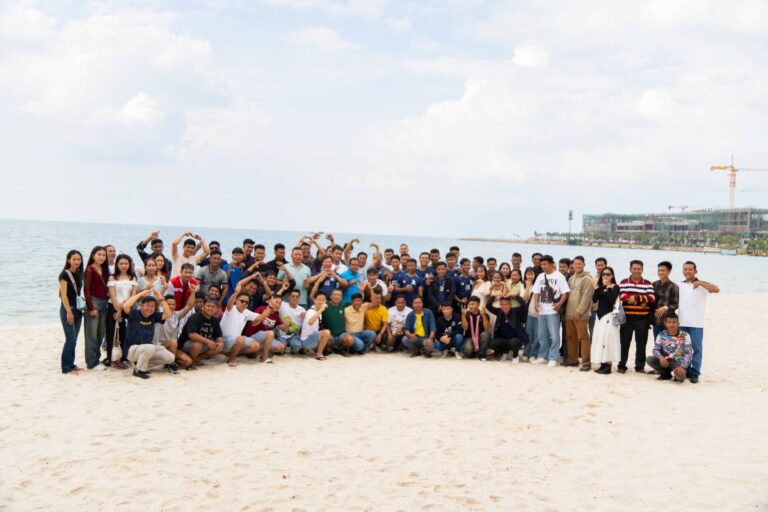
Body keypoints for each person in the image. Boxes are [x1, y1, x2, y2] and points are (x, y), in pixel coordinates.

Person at [678, 261, 719, 383]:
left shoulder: (702, 285)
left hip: (696, 324)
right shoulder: (680, 285)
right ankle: (685, 371)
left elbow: (716, 289)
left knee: (697, 349)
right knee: (683, 349)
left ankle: (695, 373)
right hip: (682, 323)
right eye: (685, 269)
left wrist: (700, 283)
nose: (687, 271)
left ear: (695, 271)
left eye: (690, 269)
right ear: (682, 271)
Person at [121, 289, 174, 379]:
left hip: (147, 349)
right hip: (131, 350)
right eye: (147, 305)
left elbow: (168, 314)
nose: (150, 308)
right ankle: (138, 370)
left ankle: (142, 364)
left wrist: (161, 299)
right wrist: (141, 294)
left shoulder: (154, 316)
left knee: (170, 357)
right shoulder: (134, 314)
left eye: (152, 306)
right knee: (150, 347)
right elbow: (125, 306)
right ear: (141, 305)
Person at [532, 255, 570, 368]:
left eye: (545, 264)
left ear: (551, 264)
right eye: (542, 264)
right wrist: (536, 303)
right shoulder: (540, 276)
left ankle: (553, 357)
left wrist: (559, 304)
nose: (543, 266)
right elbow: (536, 292)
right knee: (542, 335)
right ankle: (542, 356)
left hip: (553, 311)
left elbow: (565, 292)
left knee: (554, 335)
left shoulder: (559, 276)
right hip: (541, 311)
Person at [618, 260, 655, 374]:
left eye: (639, 269)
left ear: (642, 270)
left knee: (641, 344)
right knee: (624, 343)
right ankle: (622, 365)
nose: (637, 271)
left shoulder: (647, 283)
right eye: (634, 269)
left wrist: (636, 298)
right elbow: (621, 296)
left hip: (642, 319)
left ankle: (639, 367)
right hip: (627, 319)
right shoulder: (624, 282)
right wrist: (641, 299)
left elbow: (652, 298)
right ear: (630, 269)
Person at [220, 285, 265, 367]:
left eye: (246, 302)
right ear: (236, 301)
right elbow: (229, 304)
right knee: (240, 339)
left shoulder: (246, 312)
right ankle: (231, 359)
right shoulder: (231, 309)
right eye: (242, 301)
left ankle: (231, 353)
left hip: (237, 340)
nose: (244, 303)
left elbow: (260, 317)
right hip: (224, 340)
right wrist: (236, 292)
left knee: (256, 346)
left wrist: (270, 307)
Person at [152, 289, 196, 370]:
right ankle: (171, 364)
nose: (171, 306)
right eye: (169, 304)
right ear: (164, 304)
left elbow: (189, 306)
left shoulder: (177, 315)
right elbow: (157, 303)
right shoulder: (159, 314)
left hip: (172, 348)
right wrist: (163, 290)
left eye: (173, 304)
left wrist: (193, 292)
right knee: (173, 342)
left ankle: (168, 362)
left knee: (188, 361)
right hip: (159, 346)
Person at [106, 254, 137, 369]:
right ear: (117, 264)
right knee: (112, 333)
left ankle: (123, 358)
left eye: (126, 263)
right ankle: (112, 359)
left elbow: (133, 295)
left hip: (127, 307)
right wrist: (117, 308)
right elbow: (112, 295)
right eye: (121, 263)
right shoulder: (112, 277)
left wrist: (125, 306)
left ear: (129, 264)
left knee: (125, 333)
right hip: (113, 307)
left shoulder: (132, 277)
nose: (123, 266)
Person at [590, 266, 621, 374]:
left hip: (609, 316)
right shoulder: (600, 287)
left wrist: (607, 287)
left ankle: (608, 365)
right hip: (599, 317)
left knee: (608, 340)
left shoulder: (615, 287)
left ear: (612, 276)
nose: (606, 276)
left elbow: (612, 300)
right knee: (600, 339)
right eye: (604, 274)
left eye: (608, 274)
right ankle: (602, 364)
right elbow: (594, 300)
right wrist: (597, 288)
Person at [645, 312, 693, 382]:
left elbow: (688, 353)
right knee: (649, 359)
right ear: (665, 323)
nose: (671, 324)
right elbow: (655, 350)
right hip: (666, 361)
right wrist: (660, 357)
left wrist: (682, 366)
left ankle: (677, 373)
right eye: (669, 322)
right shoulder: (661, 334)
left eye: (674, 322)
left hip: (679, 362)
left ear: (678, 324)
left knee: (680, 379)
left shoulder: (685, 335)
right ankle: (666, 373)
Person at [179, 297, 225, 369]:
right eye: (208, 306)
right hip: (186, 344)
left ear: (216, 309)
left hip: (204, 343)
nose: (210, 308)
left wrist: (220, 343)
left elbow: (219, 335)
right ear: (203, 306)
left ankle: (199, 358)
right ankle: (192, 361)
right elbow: (192, 335)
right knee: (198, 345)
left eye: (213, 307)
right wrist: (208, 342)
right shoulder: (195, 317)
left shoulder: (215, 320)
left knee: (219, 347)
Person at [564, 256, 593, 371]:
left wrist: (579, 311)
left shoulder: (587, 279)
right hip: (569, 313)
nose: (577, 266)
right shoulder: (571, 278)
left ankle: (586, 362)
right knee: (571, 337)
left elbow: (587, 297)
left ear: (584, 264)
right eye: (575, 264)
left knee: (583, 338)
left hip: (580, 314)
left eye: (579, 264)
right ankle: (573, 360)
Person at [83, 246, 109, 371]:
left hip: (104, 303)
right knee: (91, 335)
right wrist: (90, 307)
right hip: (93, 303)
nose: (102, 257)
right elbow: (86, 289)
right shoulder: (89, 270)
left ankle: (96, 359)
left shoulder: (104, 269)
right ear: (93, 255)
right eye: (99, 254)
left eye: (104, 255)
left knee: (100, 333)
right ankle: (91, 363)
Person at [59, 250, 85, 375]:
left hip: (78, 309)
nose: (76, 261)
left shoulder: (79, 273)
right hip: (68, 309)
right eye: (74, 259)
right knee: (70, 338)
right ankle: (66, 368)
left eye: (79, 259)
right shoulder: (64, 274)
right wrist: (69, 312)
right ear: (68, 260)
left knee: (74, 339)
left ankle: (71, 364)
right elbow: (63, 295)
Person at [245, 294, 289, 363]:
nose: (277, 305)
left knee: (281, 347)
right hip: (253, 336)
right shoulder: (261, 309)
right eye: (276, 302)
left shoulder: (276, 316)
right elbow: (254, 323)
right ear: (270, 301)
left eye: (279, 304)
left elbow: (284, 329)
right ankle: (264, 357)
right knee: (270, 333)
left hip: (265, 339)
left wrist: (287, 325)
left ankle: (259, 350)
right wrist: (270, 308)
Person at [485, 296, 528, 362]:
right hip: (503, 339)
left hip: (515, 338)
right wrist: (494, 296)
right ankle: (505, 353)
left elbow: (524, 306)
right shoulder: (499, 311)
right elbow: (488, 306)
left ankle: (515, 356)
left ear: (511, 304)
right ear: (500, 305)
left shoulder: (516, 311)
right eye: (503, 304)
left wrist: (516, 296)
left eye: (507, 304)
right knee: (492, 344)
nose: (505, 306)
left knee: (514, 342)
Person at [299, 292, 333, 360]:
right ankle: (319, 354)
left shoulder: (316, 310)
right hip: (306, 340)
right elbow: (310, 322)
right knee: (326, 332)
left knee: (330, 338)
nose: (321, 302)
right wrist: (321, 310)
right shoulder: (311, 311)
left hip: (311, 338)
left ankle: (309, 349)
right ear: (314, 300)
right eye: (319, 299)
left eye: (323, 300)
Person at [320, 289, 355, 355]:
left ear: (341, 298)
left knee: (350, 340)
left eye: (339, 295)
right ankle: (330, 348)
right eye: (335, 294)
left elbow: (356, 302)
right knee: (325, 339)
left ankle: (339, 349)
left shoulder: (343, 304)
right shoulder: (324, 305)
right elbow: (313, 300)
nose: (337, 296)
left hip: (341, 334)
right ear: (330, 296)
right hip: (330, 335)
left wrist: (361, 291)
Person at [652, 261, 679, 339]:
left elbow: (676, 304)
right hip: (656, 321)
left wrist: (665, 308)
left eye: (663, 270)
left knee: (669, 342)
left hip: (669, 322)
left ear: (669, 271)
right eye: (659, 270)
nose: (660, 272)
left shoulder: (674, 286)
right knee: (657, 342)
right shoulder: (653, 284)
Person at [278, 289, 306, 353]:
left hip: (294, 336)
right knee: (280, 350)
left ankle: (292, 349)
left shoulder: (302, 310)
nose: (294, 298)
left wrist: (305, 317)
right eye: (292, 296)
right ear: (289, 297)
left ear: (299, 298)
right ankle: (283, 347)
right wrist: (282, 288)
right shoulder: (283, 305)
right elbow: (275, 298)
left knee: (297, 346)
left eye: (297, 297)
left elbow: (308, 324)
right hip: (281, 335)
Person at [522, 267, 538, 361]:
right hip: (528, 314)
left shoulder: (538, 285)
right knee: (528, 334)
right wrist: (528, 286)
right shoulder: (523, 286)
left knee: (537, 335)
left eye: (532, 274)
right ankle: (526, 352)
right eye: (528, 274)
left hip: (538, 313)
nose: (530, 276)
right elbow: (525, 298)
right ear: (525, 275)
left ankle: (533, 353)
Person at [589, 257, 608, 336]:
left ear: (605, 265)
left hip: (605, 309)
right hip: (593, 308)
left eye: (602, 265)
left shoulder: (609, 278)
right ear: (595, 266)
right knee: (593, 330)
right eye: (598, 265)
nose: (600, 267)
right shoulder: (593, 278)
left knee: (604, 332)